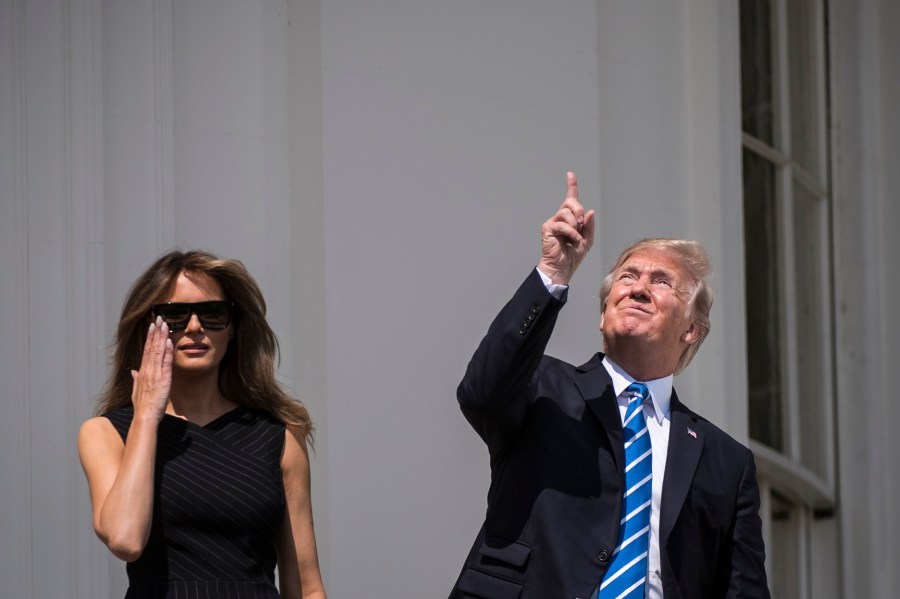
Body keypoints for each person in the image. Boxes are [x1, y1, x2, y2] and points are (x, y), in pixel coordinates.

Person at [449, 173, 769, 598]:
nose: (638, 288)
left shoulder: (726, 462)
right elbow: (480, 392)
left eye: (661, 281)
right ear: (603, 314)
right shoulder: (542, 389)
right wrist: (553, 272)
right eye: (627, 277)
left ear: (692, 329)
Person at [78, 250, 327, 599]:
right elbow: (125, 539)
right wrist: (146, 417)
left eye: (212, 314)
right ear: (148, 326)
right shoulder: (105, 433)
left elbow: (307, 587)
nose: (194, 327)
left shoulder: (279, 436)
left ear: (233, 327)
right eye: (174, 315)